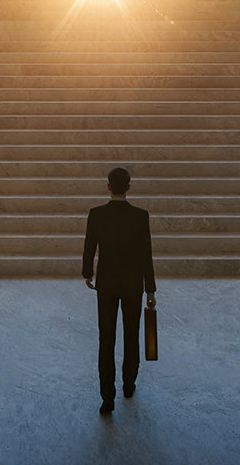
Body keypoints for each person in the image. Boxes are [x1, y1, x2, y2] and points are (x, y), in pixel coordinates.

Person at [82, 166, 156, 414]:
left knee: (106, 338)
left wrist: (87, 273)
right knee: (131, 335)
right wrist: (150, 289)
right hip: (133, 285)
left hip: (106, 284)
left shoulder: (96, 214)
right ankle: (128, 384)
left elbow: (89, 247)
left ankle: (107, 397)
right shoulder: (140, 216)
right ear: (128, 187)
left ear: (108, 187)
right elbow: (146, 255)